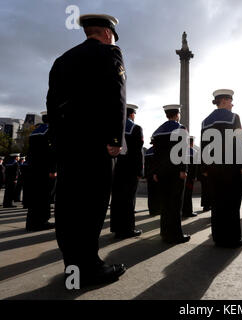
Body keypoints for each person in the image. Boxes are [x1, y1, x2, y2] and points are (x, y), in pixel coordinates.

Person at [46, 13, 127, 287]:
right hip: (96, 145)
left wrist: (58, 144)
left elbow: (52, 106)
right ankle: (90, 268)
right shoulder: (110, 53)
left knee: (68, 207)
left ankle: (73, 267)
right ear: (106, 33)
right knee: (92, 205)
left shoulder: (61, 61)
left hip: (68, 146)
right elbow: (117, 96)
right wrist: (115, 139)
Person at [201, 89, 242, 248]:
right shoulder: (234, 117)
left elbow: (204, 146)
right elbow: (239, 142)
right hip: (230, 167)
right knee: (232, 202)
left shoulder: (205, 121)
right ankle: (232, 238)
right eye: (230, 101)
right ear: (225, 101)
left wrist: (204, 168)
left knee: (217, 203)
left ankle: (218, 237)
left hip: (213, 168)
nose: (232, 104)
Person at [152, 105, 190, 244]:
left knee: (165, 204)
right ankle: (175, 235)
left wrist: (155, 171)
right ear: (177, 114)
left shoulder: (157, 132)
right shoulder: (181, 129)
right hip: (175, 172)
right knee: (175, 204)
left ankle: (165, 233)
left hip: (162, 172)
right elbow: (183, 151)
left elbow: (156, 155)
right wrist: (183, 169)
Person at [110, 104, 144, 239]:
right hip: (130, 169)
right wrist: (139, 171)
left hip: (117, 168)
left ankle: (117, 228)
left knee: (117, 199)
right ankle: (128, 229)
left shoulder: (114, 127)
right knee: (129, 200)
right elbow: (138, 152)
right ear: (131, 114)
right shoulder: (135, 128)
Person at [26, 111, 56, 231]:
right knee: (44, 196)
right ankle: (41, 221)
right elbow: (52, 152)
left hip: (34, 168)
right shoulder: (50, 131)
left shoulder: (35, 132)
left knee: (35, 196)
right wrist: (53, 169)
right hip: (45, 168)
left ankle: (31, 222)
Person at [182, 136, 198, 218]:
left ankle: (182, 211)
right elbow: (195, 166)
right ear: (192, 143)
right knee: (188, 195)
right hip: (190, 177)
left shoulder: (182, 151)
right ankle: (188, 211)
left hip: (183, 176)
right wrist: (195, 176)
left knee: (183, 194)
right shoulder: (194, 152)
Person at [144, 141, 161, 216]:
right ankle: (157, 210)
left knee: (151, 194)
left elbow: (145, 164)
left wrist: (145, 175)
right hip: (156, 175)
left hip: (149, 176)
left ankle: (152, 210)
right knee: (158, 193)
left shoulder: (148, 151)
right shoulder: (159, 151)